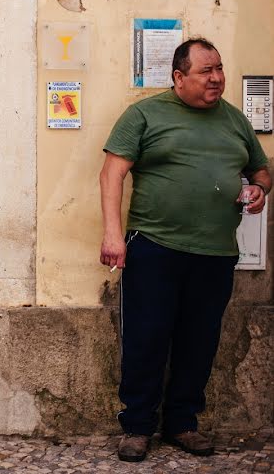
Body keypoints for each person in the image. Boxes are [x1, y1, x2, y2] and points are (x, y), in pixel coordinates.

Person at [99, 38, 271, 463]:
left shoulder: (234, 120)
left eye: (219, 69)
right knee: (146, 338)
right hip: (155, 246)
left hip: (215, 252)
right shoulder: (144, 114)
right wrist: (113, 234)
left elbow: (261, 169)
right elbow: (111, 174)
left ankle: (183, 423)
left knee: (200, 341)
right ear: (178, 77)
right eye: (205, 71)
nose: (216, 78)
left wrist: (258, 190)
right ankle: (138, 427)